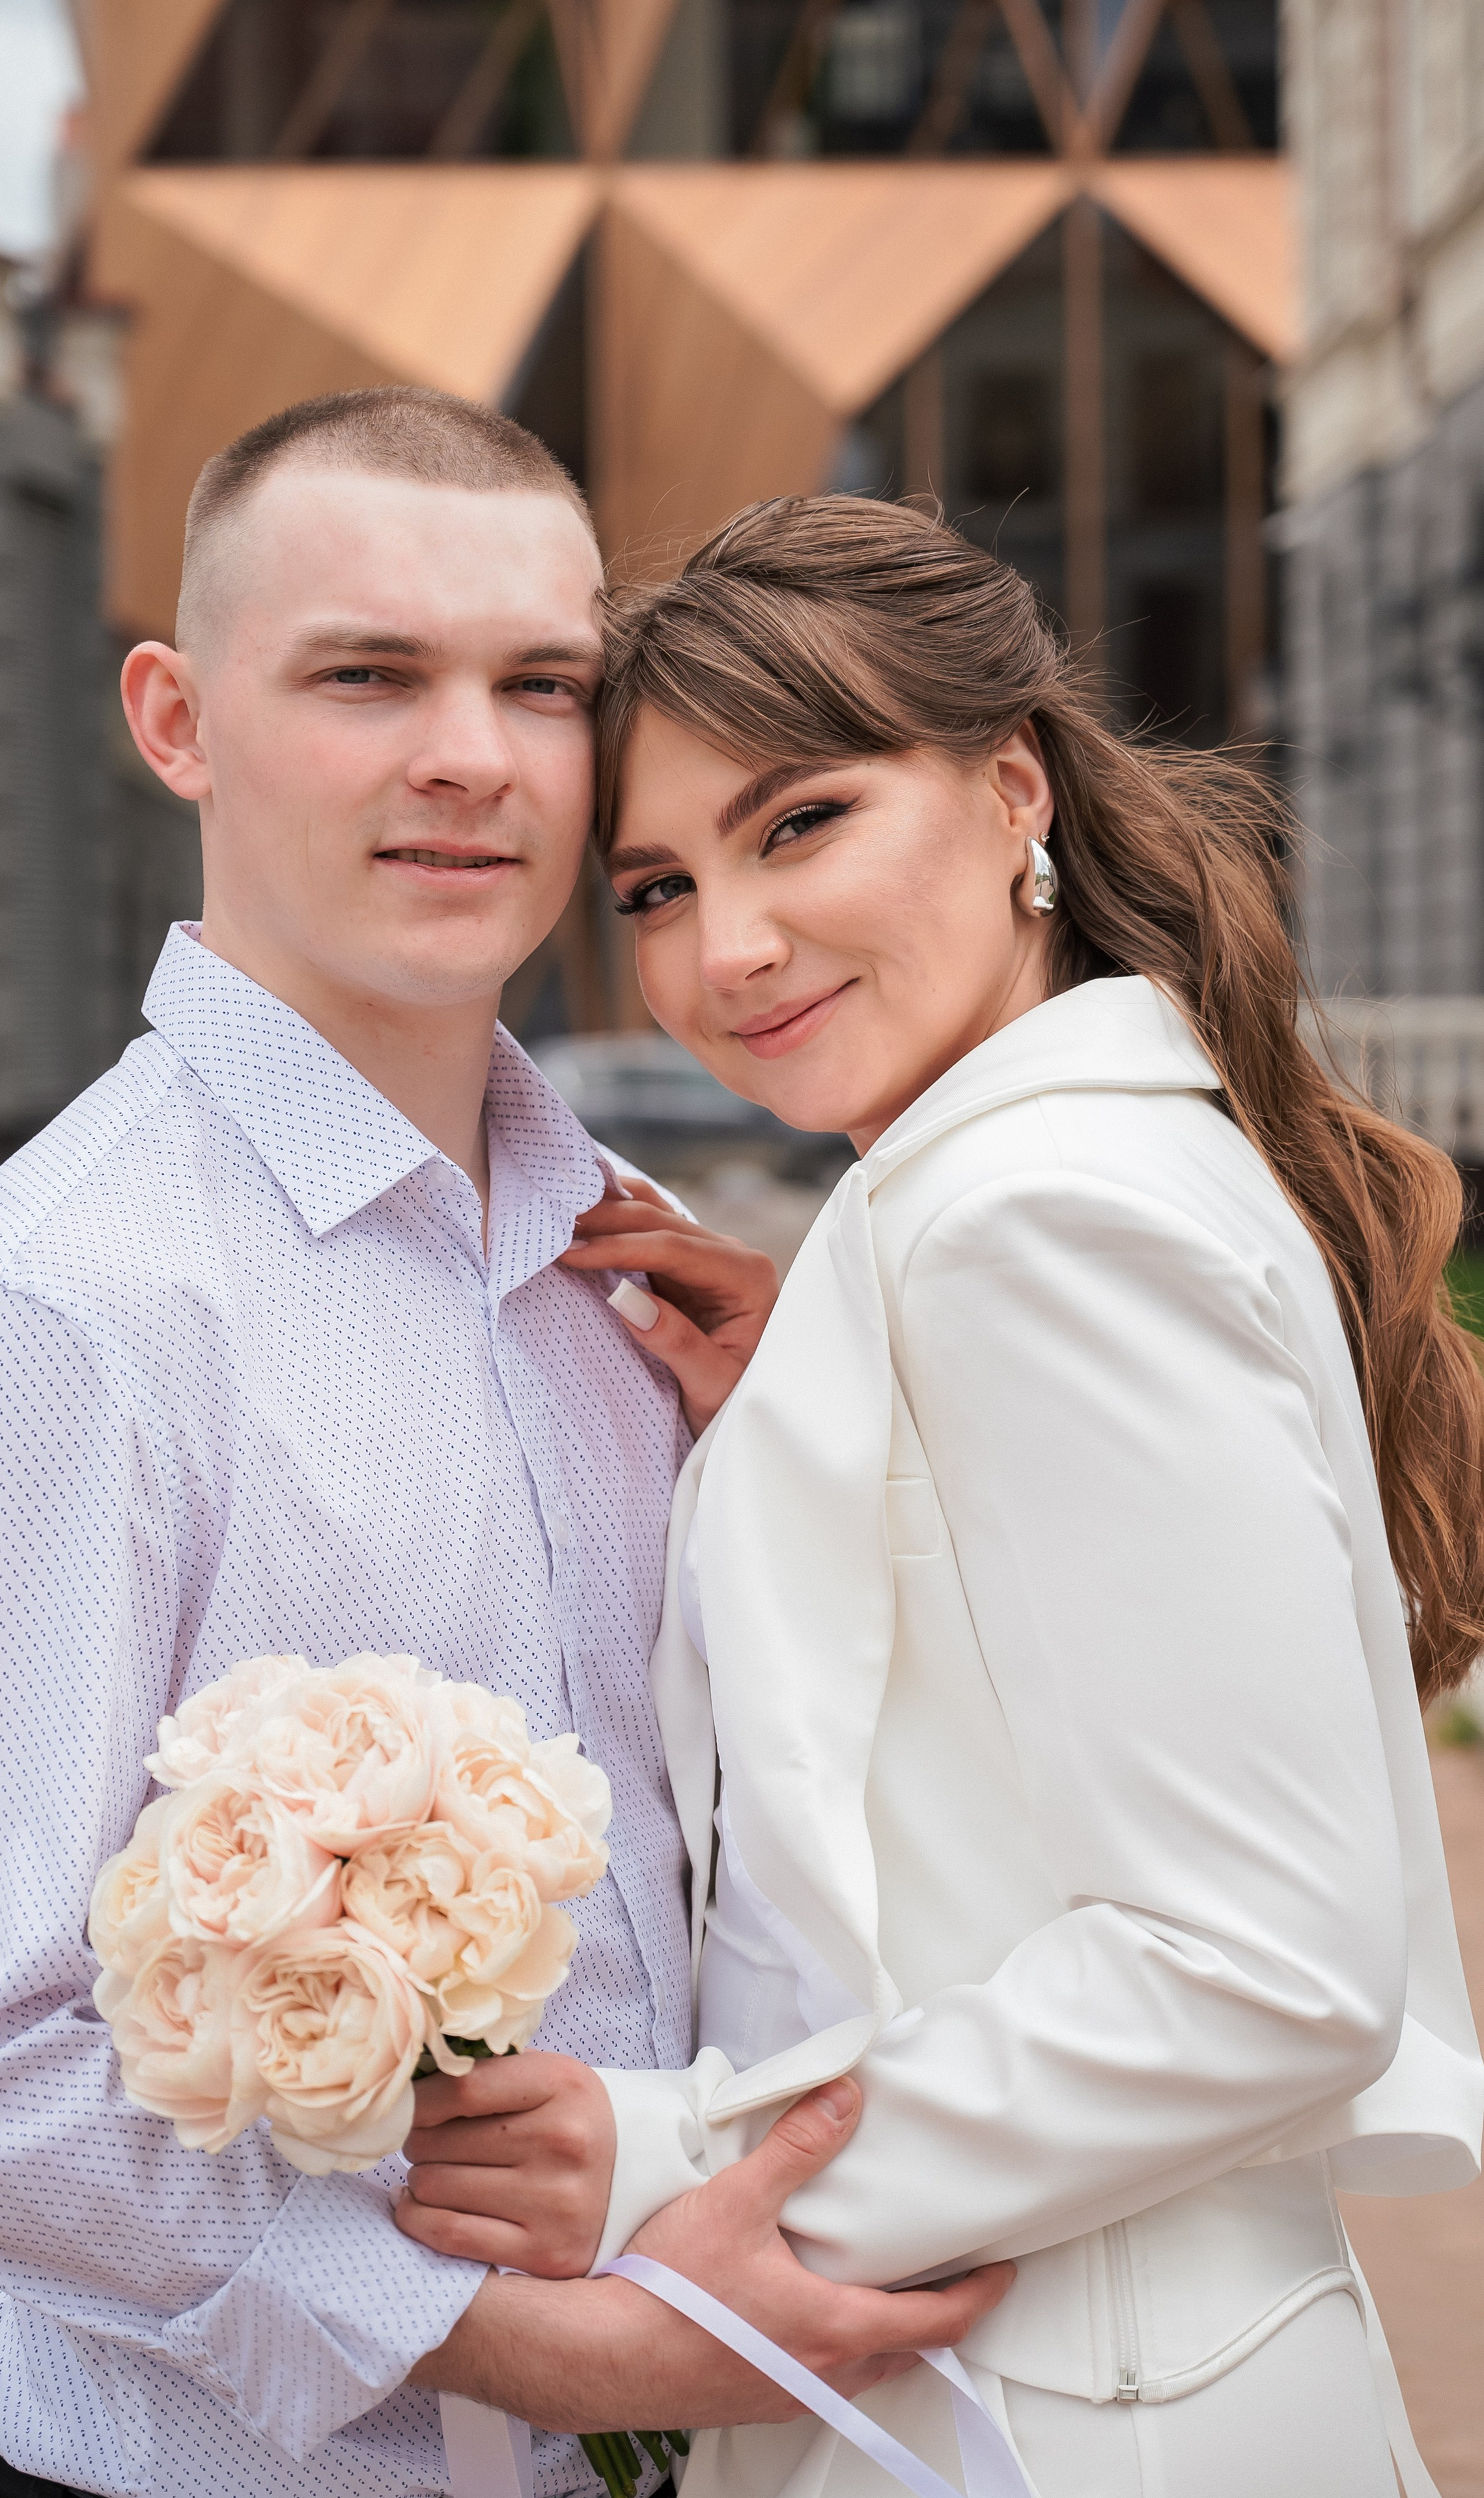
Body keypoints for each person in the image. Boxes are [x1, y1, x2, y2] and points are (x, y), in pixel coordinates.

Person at [0, 408, 1010, 2498]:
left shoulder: (644, 1274)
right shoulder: (57, 1314)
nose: (472, 756)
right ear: (177, 720)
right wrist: (535, 2345)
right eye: (369, 675)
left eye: (541, 686)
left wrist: (826, 1477)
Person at [394, 494, 1484, 2497]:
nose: (728, 945)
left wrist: (676, 2157)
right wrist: (815, 1406)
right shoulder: (972, 1214)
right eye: (651, 886)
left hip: (1082, 2412)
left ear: (1008, 793)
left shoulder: (1042, 1223)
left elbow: (1269, 1965)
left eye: (799, 822)